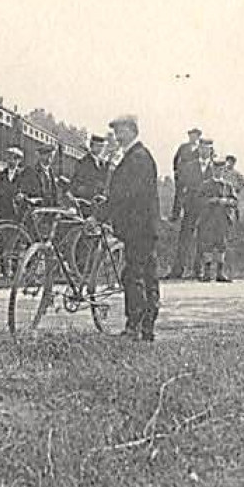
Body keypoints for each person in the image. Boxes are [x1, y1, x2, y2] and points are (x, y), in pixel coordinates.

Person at [106, 114, 160, 340]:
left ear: (132, 130)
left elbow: (125, 195)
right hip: (143, 227)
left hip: (138, 227)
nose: (117, 136)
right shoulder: (137, 156)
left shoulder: (137, 157)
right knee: (146, 275)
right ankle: (146, 328)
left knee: (134, 275)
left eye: (121, 131)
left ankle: (134, 327)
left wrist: (102, 214)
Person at [169, 137, 216, 279]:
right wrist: (177, 209)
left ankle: (199, 270)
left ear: (211, 151)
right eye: (201, 148)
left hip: (208, 209)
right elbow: (180, 188)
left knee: (204, 238)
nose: (204, 151)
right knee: (185, 238)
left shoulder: (216, 169)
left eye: (207, 149)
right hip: (190, 207)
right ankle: (178, 270)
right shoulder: (188, 167)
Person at [195, 160, 240, 283]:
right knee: (208, 245)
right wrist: (212, 200)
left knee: (222, 245)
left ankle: (220, 273)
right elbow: (199, 200)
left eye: (221, 169)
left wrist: (227, 202)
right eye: (216, 169)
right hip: (209, 220)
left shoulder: (228, 186)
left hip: (223, 219)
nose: (218, 171)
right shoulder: (205, 185)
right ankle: (207, 273)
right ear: (212, 170)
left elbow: (235, 201)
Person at [170, 128, 202, 222]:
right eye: (191, 135)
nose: (193, 137)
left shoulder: (200, 149)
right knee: (179, 194)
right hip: (182, 174)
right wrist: (175, 170)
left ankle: (189, 215)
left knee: (192, 194)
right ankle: (175, 215)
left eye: (195, 136)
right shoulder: (183, 147)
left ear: (198, 137)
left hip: (194, 176)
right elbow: (176, 158)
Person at [69, 134, 111, 205]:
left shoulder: (104, 164)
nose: (100, 149)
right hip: (85, 201)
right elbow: (77, 185)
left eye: (102, 146)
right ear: (91, 146)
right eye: (98, 146)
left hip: (99, 202)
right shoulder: (83, 162)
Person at [0, 147, 27, 220]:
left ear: (19, 161)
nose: (11, 161)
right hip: (2, 212)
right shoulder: (0, 175)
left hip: (17, 214)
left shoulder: (23, 176)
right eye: (9, 158)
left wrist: (23, 196)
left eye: (15, 158)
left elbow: (28, 193)